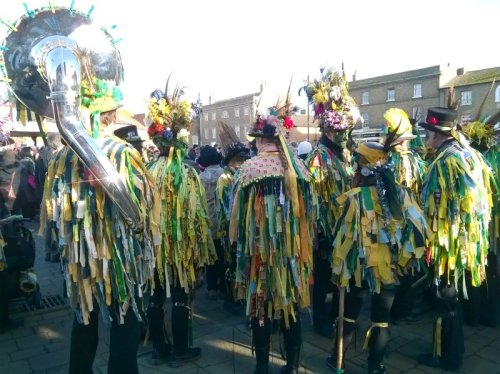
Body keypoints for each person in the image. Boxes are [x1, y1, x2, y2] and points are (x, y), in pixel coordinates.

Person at [41, 80, 158, 374]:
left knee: (84, 322)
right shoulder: (123, 152)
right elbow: (141, 210)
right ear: (112, 115)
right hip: (121, 259)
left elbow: (54, 211)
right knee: (124, 324)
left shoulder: (61, 156)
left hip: (81, 260)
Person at [229, 97, 315, 374]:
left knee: (260, 307)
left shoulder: (247, 170)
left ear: (258, 140)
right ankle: (291, 366)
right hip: (293, 254)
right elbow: (311, 213)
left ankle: (262, 367)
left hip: (259, 253)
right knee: (291, 305)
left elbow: (234, 216)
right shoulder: (300, 169)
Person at [327, 141, 430, 374]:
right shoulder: (403, 195)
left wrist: (339, 267)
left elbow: (342, 237)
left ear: (363, 167)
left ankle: (338, 360)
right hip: (390, 270)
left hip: (359, 269)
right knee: (381, 319)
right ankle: (375, 367)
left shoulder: (353, 197)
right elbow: (419, 231)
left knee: (350, 313)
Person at [416, 107, 492, 372]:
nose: (426, 136)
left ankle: (449, 357)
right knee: (452, 296)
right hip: (466, 241)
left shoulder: (446, 160)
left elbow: (437, 208)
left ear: (438, 134)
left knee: (446, 297)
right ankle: (449, 351)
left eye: (429, 132)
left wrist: (430, 239)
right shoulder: (469, 154)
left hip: (448, 242)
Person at [145, 86, 216, 366]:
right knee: (179, 296)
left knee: (154, 296)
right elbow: (198, 217)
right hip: (179, 248)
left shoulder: (147, 171)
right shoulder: (187, 174)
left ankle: (158, 349)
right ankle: (180, 349)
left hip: (153, 246)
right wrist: (199, 250)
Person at [302, 67, 357, 338]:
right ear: (327, 129)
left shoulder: (346, 155)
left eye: (347, 130)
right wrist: (317, 233)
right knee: (323, 278)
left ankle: (338, 315)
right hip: (325, 230)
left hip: (345, 227)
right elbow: (312, 197)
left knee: (341, 278)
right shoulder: (319, 157)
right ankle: (320, 320)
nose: (345, 136)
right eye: (340, 130)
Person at [380, 108, 430, 322]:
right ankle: (399, 310)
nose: (405, 143)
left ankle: (399, 310)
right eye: (403, 140)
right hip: (398, 223)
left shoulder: (412, 162)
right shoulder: (389, 162)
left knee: (405, 267)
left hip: (407, 223)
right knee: (400, 267)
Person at [459, 117, 499, 327]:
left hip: (479, 227)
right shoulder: (491, 160)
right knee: (489, 268)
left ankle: (473, 314)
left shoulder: (472, 163)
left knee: (475, 268)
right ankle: (489, 314)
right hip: (489, 227)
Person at [216, 120, 250, 314]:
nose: (242, 162)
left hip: (241, 228)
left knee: (241, 263)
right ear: (229, 161)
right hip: (229, 229)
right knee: (230, 264)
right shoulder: (224, 179)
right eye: (238, 159)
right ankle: (231, 299)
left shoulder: (241, 176)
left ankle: (240, 296)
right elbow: (224, 208)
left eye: (243, 158)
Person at [198, 145, 225, 300]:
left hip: (208, 222)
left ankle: (212, 286)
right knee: (223, 254)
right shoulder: (225, 175)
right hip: (223, 220)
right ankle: (224, 285)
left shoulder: (200, 178)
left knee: (211, 255)